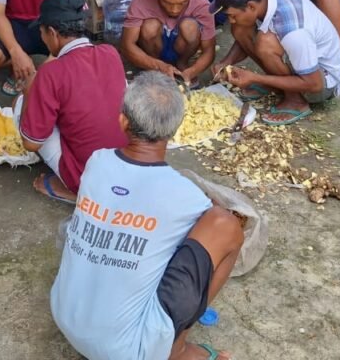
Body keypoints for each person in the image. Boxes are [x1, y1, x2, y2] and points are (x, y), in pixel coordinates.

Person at [51, 71, 243, 360]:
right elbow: (213, 222)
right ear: (175, 130)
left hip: (65, 315)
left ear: (122, 121)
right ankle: (176, 349)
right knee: (226, 226)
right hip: (127, 351)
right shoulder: (185, 195)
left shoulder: (97, 161)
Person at [16, 0, 127, 204]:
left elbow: (30, 144)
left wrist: (30, 91)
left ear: (52, 33)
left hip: (87, 178)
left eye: (42, 33)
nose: (43, 39)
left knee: (22, 106)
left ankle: (75, 191)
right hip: (127, 168)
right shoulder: (110, 52)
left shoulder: (51, 72)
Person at [211, 0, 340, 125]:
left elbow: (315, 84)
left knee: (265, 43)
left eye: (233, 15)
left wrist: (255, 77)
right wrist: (226, 63)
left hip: (323, 83)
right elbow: (245, 38)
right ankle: (276, 85)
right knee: (240, 28)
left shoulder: (293, 31)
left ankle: (296, 101)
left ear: (251, 7)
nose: (231, 20)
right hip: (303, 65)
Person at [120, 0, 216, 83]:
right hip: (154, 48)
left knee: (189, 26)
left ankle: (182, 63)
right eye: (167, 2)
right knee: (150, 26)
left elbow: (209, 50)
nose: (174, 9)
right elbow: (127, 45)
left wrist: (192, 72)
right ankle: (153, 67)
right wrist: (158, 66)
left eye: (182, 2)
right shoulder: (141, 1)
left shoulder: (202, 5)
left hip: (181, 46)